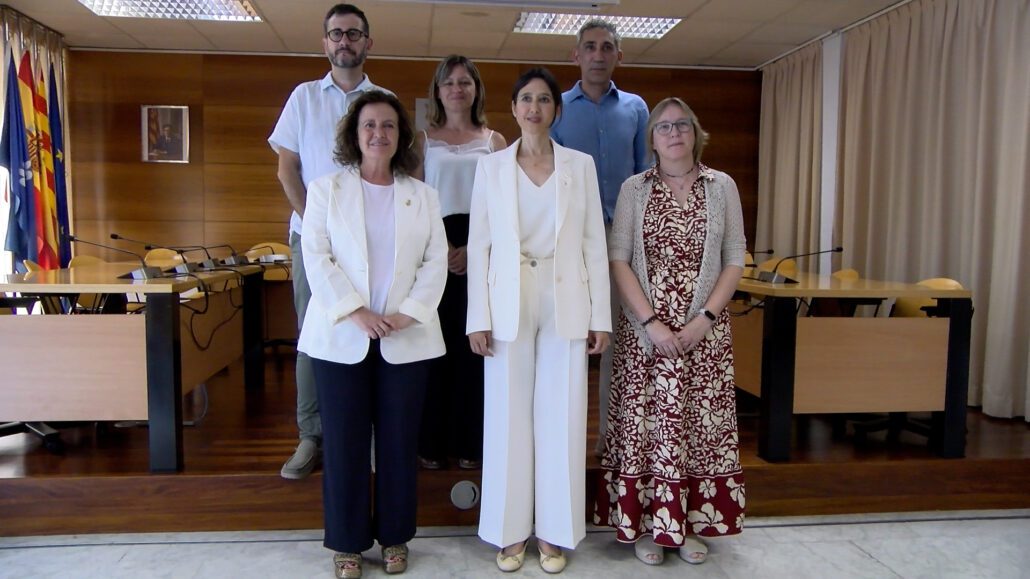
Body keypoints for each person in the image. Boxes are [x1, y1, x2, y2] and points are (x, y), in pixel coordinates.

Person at [466, 67, 611, 574]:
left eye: (544, 99)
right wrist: (477, 317)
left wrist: (600, 316)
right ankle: (509, 531)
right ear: (513, 108)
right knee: (507, 415)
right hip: (508, 298)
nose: (534, 107)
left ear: (556, 109)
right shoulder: (491, 168)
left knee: (562, 414)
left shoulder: (580, 166)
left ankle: (554, 531)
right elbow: (480, 246)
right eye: (526, 99)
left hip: (564, 294)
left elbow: (594, 243)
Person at [299, 89, 447, 579]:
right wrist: (356, 312)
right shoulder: (325, 190)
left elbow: (435, 262)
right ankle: (347, 543)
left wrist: (408, 313)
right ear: (354, 134)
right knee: (344, 443)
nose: (379, 133)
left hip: (406, 337)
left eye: (388, 125)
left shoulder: (423, 196)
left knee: (399, 443)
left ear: (401, 134)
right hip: (342, 337)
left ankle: (395, 536)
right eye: (369, 125)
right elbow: (317, 257)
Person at [595, 97, 746, 566]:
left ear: (696, 133)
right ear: (652, 140)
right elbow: (618, 259)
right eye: (663, 127)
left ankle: (688, 527)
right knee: (647, 431)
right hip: (646, 339)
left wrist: (704, 320)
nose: (674, 132)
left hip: (704, 338)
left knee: (697, 432)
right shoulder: (634, 189)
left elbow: (735, 257)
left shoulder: (722, 186)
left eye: (682, 125)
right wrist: (650, 324)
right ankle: (647, 526)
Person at [268, 3, 392, 480]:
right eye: (336, 33)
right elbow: (287, 169)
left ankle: (372, 433)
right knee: (315, 331)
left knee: (373, 329)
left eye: (353, 34)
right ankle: (311, 435)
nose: (345, 41)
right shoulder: (303, 98)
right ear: (325, 43)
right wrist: (317, 227)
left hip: (373, 241)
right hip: (311, 239)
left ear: (368, 42)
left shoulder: (383, 100)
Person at [550, 19, 650, 452]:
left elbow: (647, 174)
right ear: (576, 55)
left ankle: (611, 439)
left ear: (618, 56)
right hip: (571, 239)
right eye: (589, 47)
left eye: (607, 47)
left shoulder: (635, 108)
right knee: (570, 335)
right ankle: (564, 440)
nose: (598, 54)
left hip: (623, 239)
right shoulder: (557, 108)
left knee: (617, 341)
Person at [414, 55, 507, 471]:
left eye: (465, 81)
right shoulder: (422, 141)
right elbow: (414, 200)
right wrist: (442, 249)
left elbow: (504, 208)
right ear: (438, 91)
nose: (457, 88)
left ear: (476, 90)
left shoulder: (495, 141)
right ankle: (432, 442)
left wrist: (474, 249)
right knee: (437, 348)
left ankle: (471, 442)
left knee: (475, 350)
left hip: (480, 251)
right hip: (436, 248)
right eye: (449, 82)